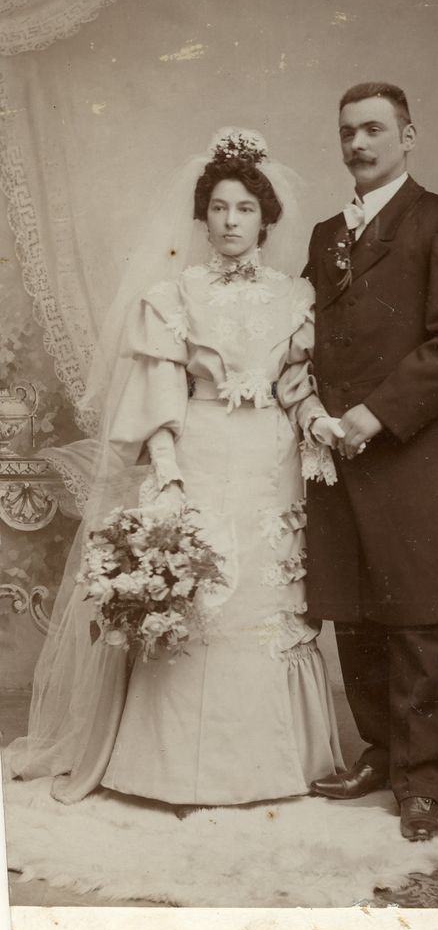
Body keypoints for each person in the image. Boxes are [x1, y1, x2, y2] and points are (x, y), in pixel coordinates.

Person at [4, 128, 344, 807]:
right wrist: (168, 470)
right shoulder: (176, 295)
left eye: (244, 208)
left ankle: (278, 761)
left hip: (271, 463)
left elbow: (295, 382)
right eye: (218, 207)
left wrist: (316, 422)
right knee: (199, 591)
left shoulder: (292, 296)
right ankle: (167, 765)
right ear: (202, 215)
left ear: (266, 217)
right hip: (202, 452)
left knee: (265, 596)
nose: (229, 221)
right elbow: (161, 395)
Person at [304, 83, 438, 840]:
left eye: (375, 129)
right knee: (354, 612)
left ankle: (422, 782)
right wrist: (317, 414)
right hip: (339, 450)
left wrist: (374, 413)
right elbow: (309, 334)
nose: (359, 143)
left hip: (414, 449)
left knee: (415, 615)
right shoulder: (326, 234)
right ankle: (381, 752)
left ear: (408, 136)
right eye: (348, 131)